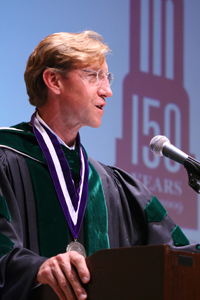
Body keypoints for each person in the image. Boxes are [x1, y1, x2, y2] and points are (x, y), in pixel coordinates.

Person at [0, 30, 199, 300]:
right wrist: (35, 268)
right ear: (54, 80)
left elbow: (179, 257)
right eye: (94, 75)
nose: (107, 90)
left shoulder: (112, 185)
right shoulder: (6, 158)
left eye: (107, 77)